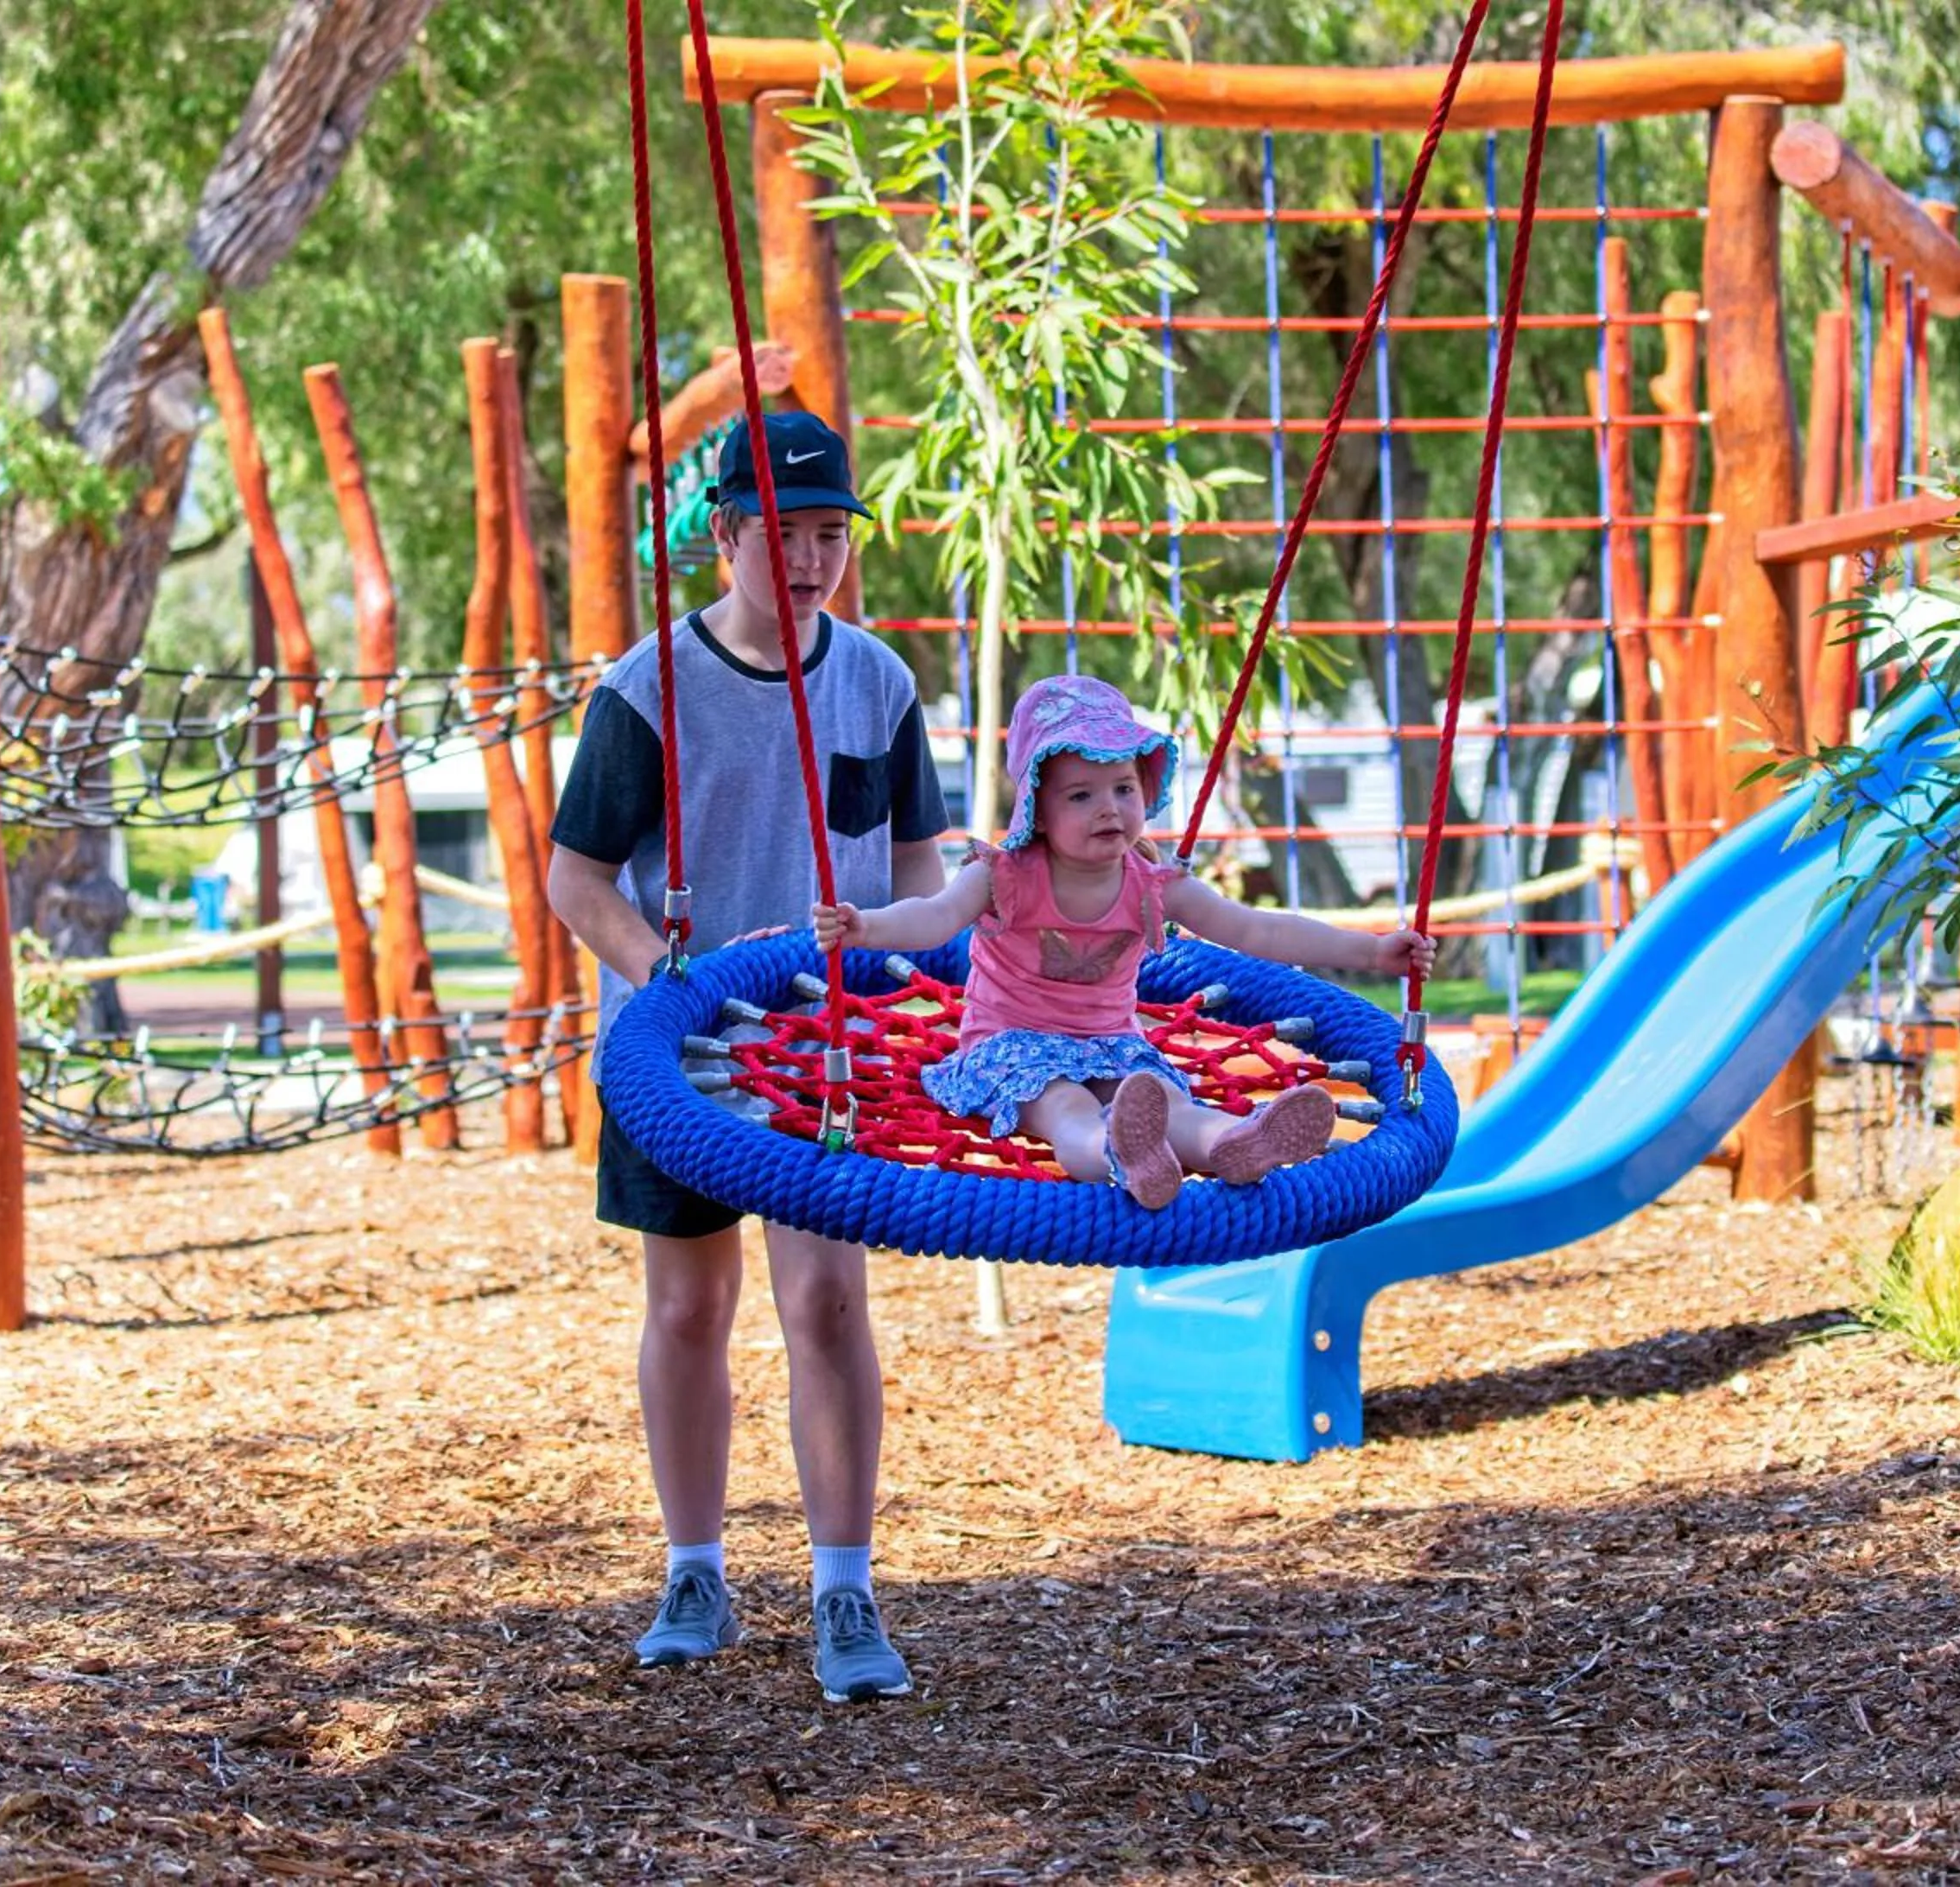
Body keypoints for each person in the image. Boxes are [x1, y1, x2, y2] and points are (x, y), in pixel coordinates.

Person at [547, 410, 948, 1704]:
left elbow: (917, 865)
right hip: (681, 1058)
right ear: (725, 537)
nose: (814, 559)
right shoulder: (648, 688)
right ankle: (695, 1571)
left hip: (827, 1047)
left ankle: (844, 1588)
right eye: (787, 534)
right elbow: (576, 878)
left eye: (832, 534)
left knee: (826, 1303)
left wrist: (914, 983)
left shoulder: (877, 683)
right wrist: (667, 982)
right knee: (688, 1308)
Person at [813, 673, 1435, 1209]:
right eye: (1081, 795)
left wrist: (1370, 951)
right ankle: (1115, 1151)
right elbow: (934, 918)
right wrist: (867, 926)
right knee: (1064, 1107)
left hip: (1113, 1046)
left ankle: (1233, 1144)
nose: (1108, 808)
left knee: (1163, 1102)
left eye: (1123, 789)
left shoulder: (1153, 883)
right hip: (1009, 1048)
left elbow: (1257, 928)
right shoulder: (1004, 876)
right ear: (1037, 810)